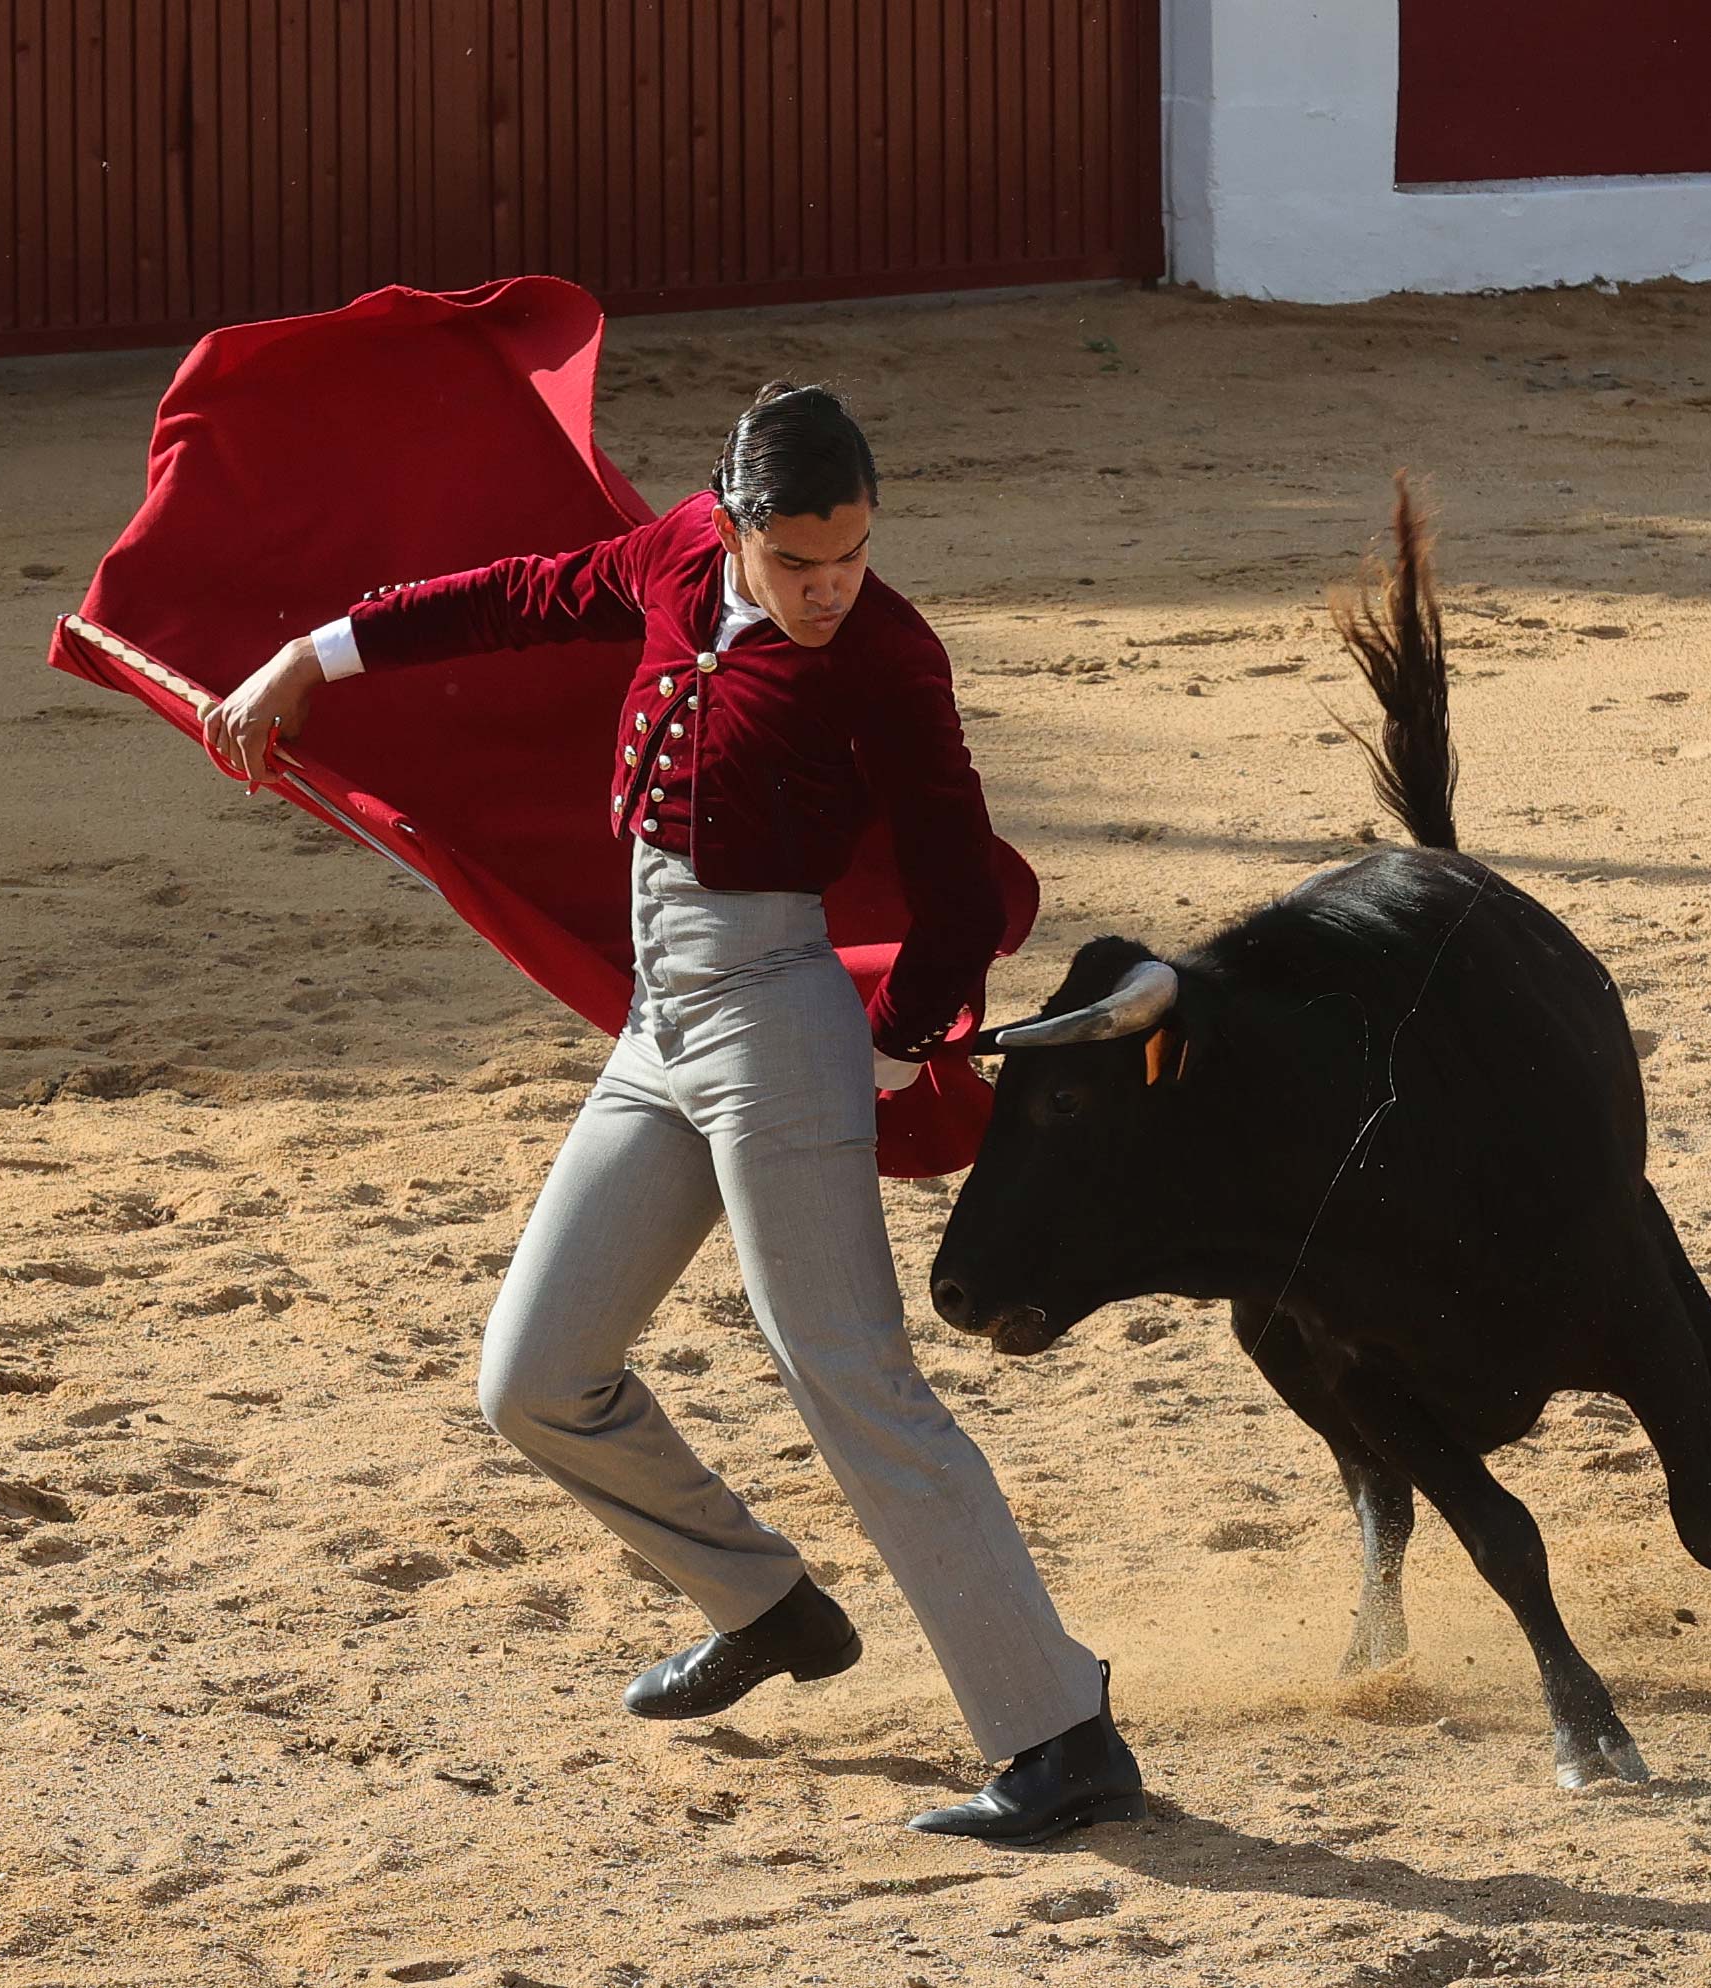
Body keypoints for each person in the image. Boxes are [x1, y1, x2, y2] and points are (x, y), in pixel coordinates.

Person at [201, 382, 1145, 1846]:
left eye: (852, 558)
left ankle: (1058, 1733)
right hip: (662, 1021)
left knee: (848, 1376)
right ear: (738, 530)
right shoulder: (670, 558)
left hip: (778, 1018)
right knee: (533, 1377)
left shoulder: (887, 657)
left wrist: (897, 1043)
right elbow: (508, 597)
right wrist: (304, 661)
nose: (832, 590)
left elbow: (957, 876)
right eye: (800, 563)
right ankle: (764, 1603)